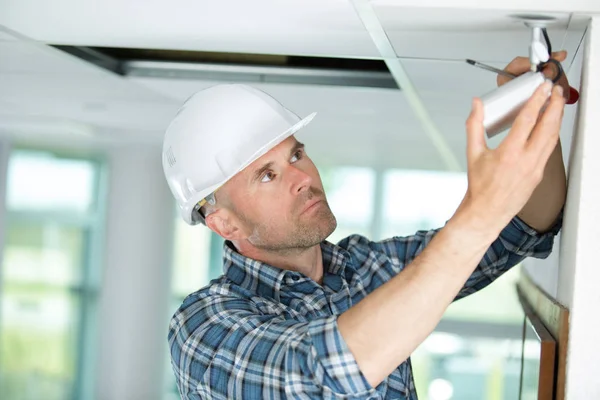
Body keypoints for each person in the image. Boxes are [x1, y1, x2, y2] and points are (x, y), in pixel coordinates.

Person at [162, 51, 573, 399]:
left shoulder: (363, 268)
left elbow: (521, 228)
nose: (303, 177)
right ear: (223, 223)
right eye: (267, 175)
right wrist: (478, 214)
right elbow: (321, 373)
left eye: (295, 154)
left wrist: (536, 113)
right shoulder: (202, 326)